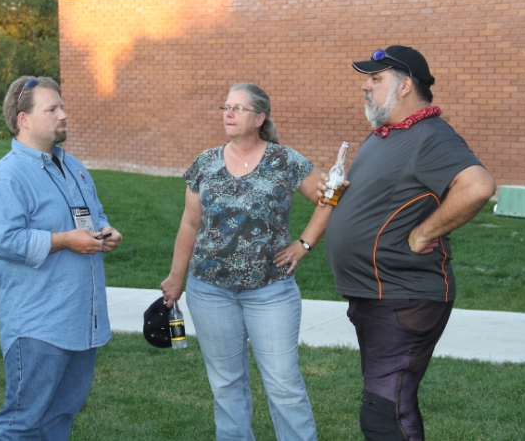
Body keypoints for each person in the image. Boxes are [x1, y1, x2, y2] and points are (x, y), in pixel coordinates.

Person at [321, 46, 496, 441]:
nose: (365, 86)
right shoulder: (385, 136)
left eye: (375, 79)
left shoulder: (430, 136)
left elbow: (478, 186)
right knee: (386, 404)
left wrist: (423, 233)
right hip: (377, 294)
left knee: (386, 411)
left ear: (405, 87)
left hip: (403, 296)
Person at [160, 82, 331, 441]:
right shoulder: (205, 163)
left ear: (260, 117)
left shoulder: (285, 161)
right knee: (226, 386)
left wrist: (304, 244)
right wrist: (176, 277)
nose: (229, 114)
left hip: (270, 291)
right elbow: (190, 223)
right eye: (226, 107)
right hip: (209, 291)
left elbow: (330, 196)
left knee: (284, 384)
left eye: (238, 108)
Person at [0, 76, 122, 441]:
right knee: (21, 423)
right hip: (38, 325)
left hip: (81, 320)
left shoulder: (72, 166)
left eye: (62, 106)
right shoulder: (6, 178)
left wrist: (105, 233)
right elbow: (3, 240)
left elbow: (93, 216)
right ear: (24, 119)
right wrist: (65, 241)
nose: (64, 114)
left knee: (60, 417)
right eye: (52, 109)